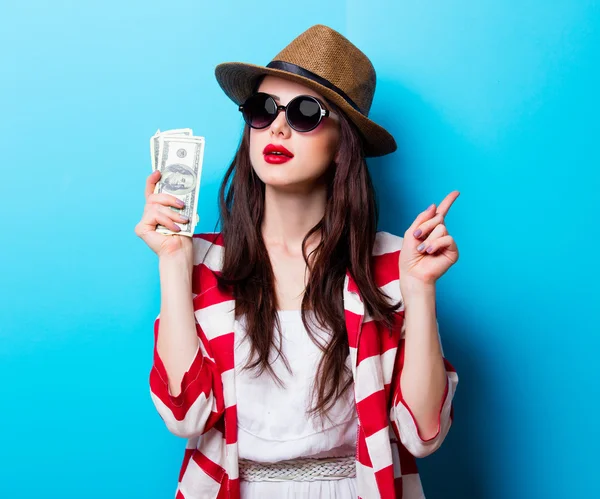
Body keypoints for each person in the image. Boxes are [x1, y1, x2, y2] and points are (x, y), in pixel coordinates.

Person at [135, 24, 460, 499]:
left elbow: (422, 434)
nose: (279, 128)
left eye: (306, 113)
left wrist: (420, 291)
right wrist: (173, 261)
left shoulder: (393, 263)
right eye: (263, 110)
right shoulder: (203, 260)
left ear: (342, 144)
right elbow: (186, 416)